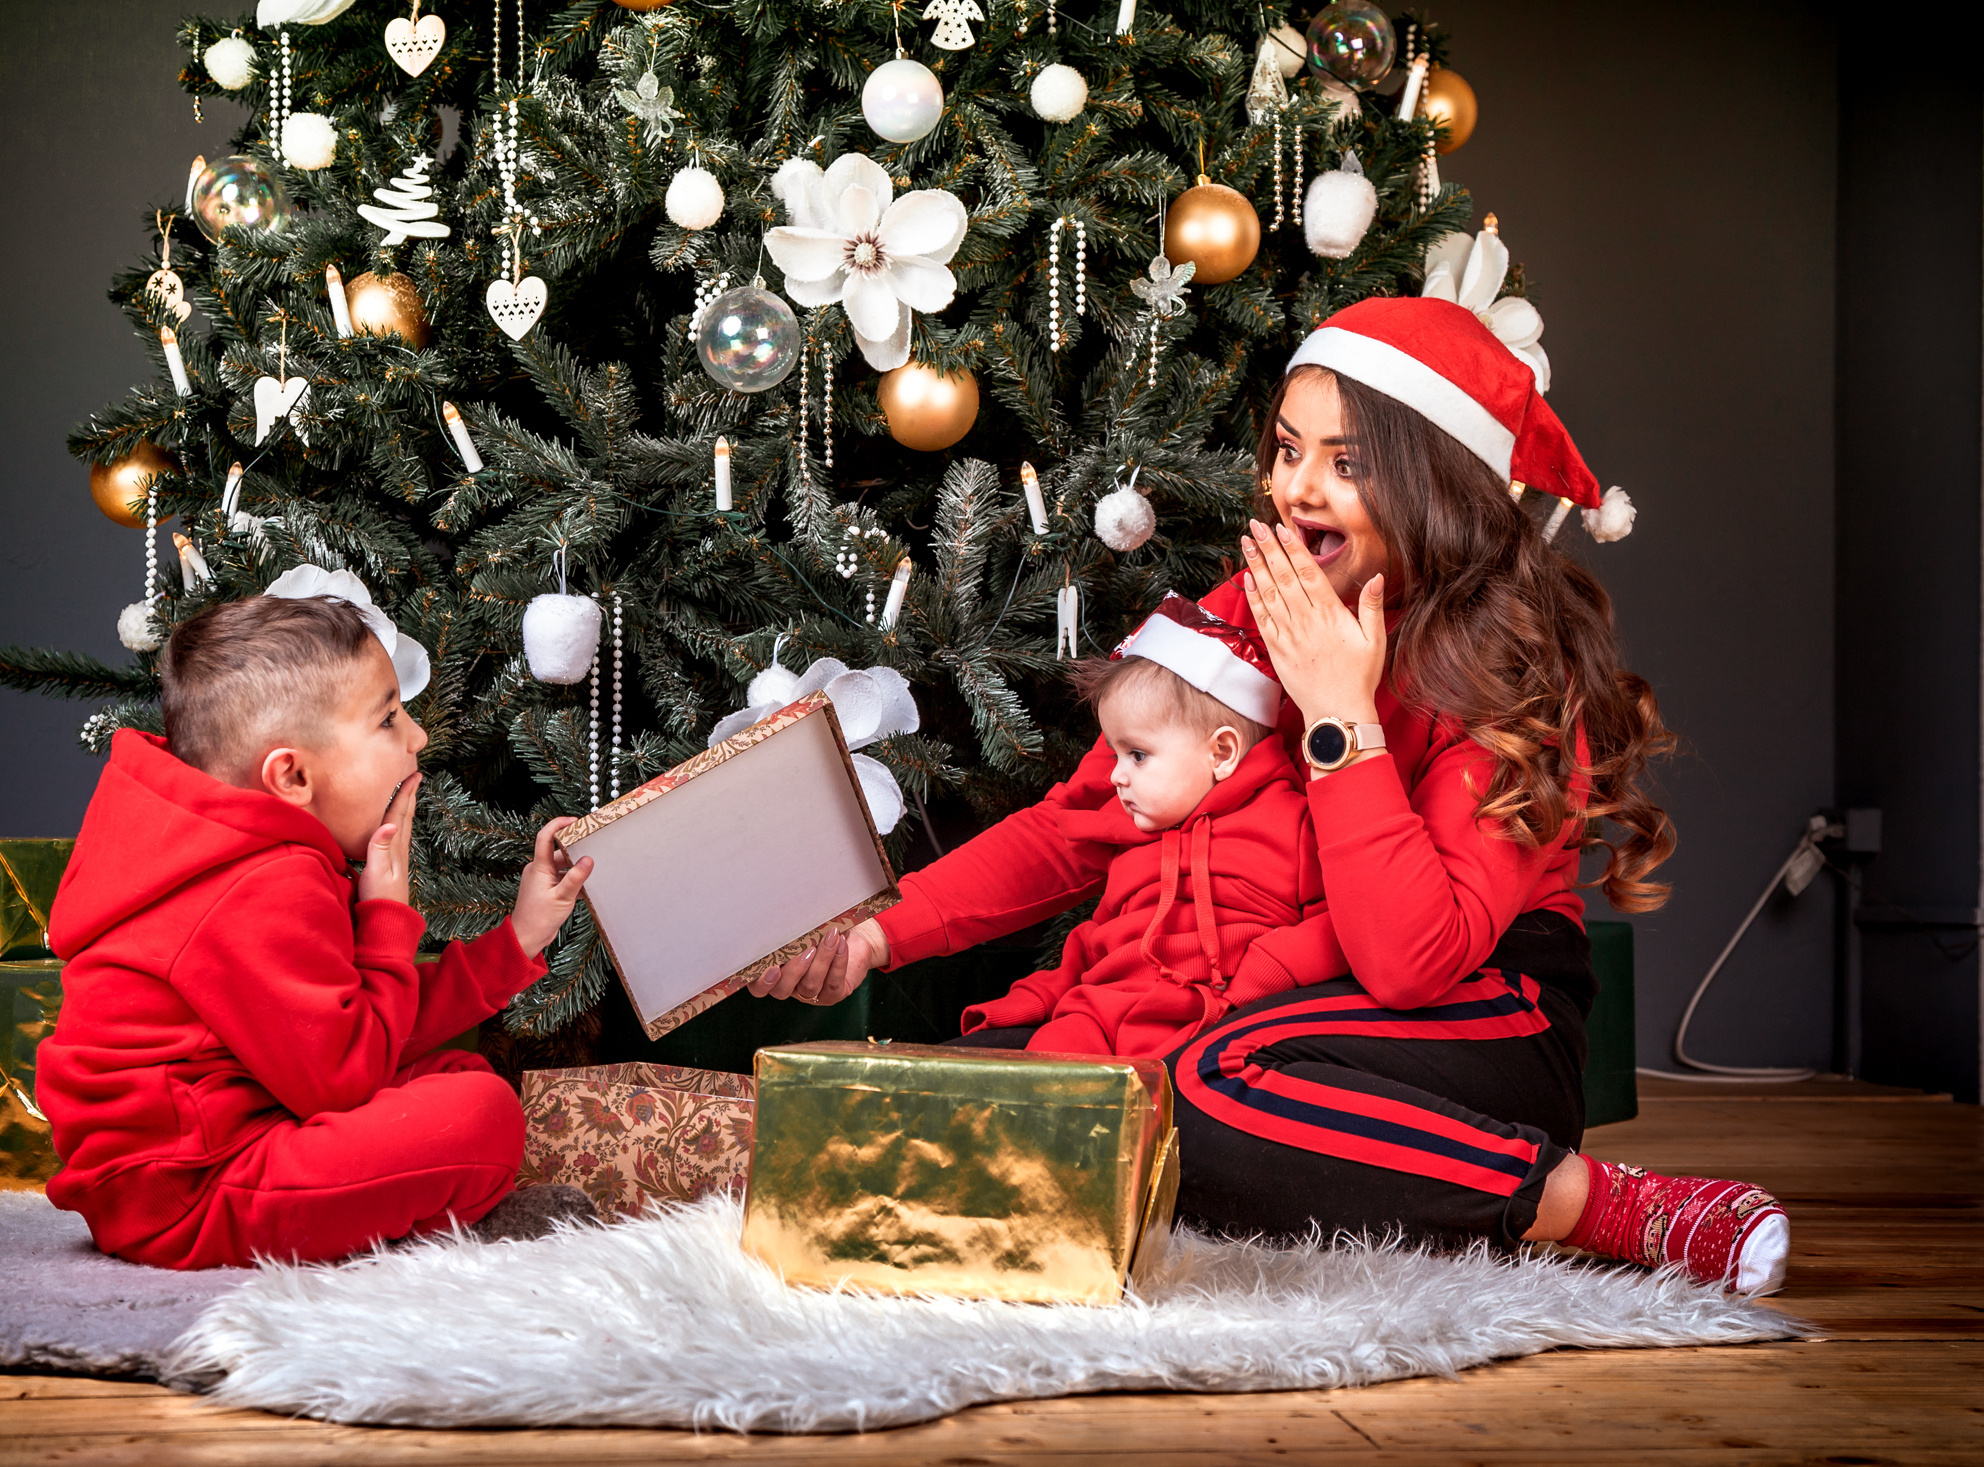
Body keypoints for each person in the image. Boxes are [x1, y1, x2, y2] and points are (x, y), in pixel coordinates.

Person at [751, 296, 1789, 1295]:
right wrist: (879, 935)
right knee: (1000, 1096)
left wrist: (1339, 712)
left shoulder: (1512, 667)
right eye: (1288, 450)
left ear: (1439, 484)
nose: (1297, 489)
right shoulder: (1247, 608)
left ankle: (1603, 1206)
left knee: (1210, 1084)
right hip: (1273, 988)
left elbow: (1410, 958)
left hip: (1477, 1014)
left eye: (1347, 465)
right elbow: (1084, 822)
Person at [39, 567, 595, 1270]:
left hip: (227, 1133)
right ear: (293, 777)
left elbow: (346, 1025)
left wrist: (516, 940)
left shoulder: (240, 841)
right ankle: (418, 1231)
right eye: (389, 717)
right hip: (187, 1192)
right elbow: (347, 1076)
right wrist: (387, 919)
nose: (418, 736)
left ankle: (403, 1214)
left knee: (450, 1072)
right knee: (481, 1118)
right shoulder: (259, 882)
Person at [957, 592, 1348, 1058]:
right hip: (1102, 1010)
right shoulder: (1136, 846)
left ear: (1221, 753)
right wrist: (1033, 999)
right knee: (1050, 1066)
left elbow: (1340, 924)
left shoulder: (1292, 824)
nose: (1115, 775)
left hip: (1212, 1013)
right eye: (1119, 755)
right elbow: (1094, 942)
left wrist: (1267, 973)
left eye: (1137, 755)